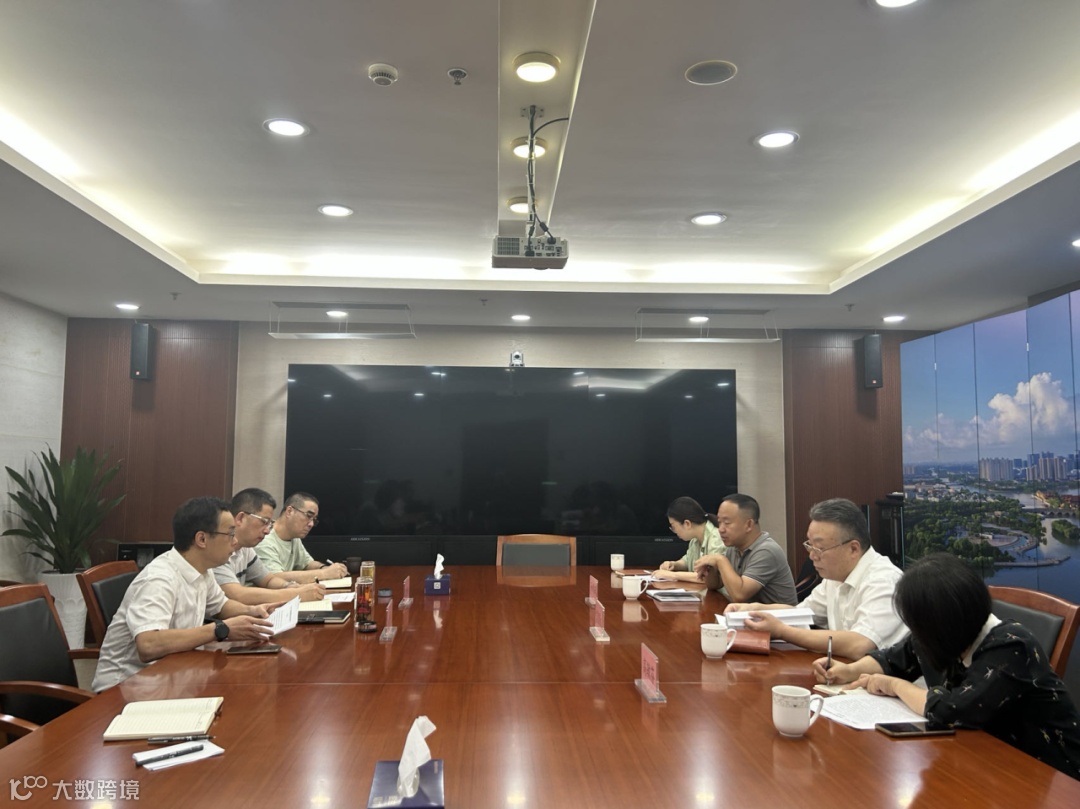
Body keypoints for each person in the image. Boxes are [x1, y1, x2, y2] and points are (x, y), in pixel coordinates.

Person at [815, 553, 1080, 780]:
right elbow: (893, 659)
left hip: (1048, 775)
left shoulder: (1011, 647)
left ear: (945, 622)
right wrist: (849, 671)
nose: (917, 634)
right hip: (978, 761)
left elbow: (952, 710)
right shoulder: (945, 635)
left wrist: (895, 686)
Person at [92, 496, 277, 691]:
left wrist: (253, 611)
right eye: (230, 534)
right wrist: (220, 629)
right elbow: (149, 644)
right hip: (126, 688)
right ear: (202, 539)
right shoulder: (160, 579)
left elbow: (222, 606)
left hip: (171, 674)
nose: (235, 541)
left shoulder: (203, 570)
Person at [725, 497, 905, 659]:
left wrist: (782, 631)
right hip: (842, 671)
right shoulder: (835, 576)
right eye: (809, 545)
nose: (812, 556)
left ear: (853, 549)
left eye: (819, 548)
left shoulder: (884, 581)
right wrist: (755, 610)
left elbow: (859, 645)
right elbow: (801, 613)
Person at [212, 488, 327, 604]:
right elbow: (238, 595)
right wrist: (297, 594)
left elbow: (268, 579)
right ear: (241, 518)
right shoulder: (217, 550)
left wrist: (289, 586)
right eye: (264, 522)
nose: (267, 531)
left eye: (269, 523)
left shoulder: (246, 548)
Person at [690, 493, 797, 604]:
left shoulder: (766, 551)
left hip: (778, 615)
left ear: (749, 525)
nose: (720, 529)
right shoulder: (734, 547)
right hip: (749, 613)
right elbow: (715, 585)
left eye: (727, 523)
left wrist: (720, 560)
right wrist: (709, 568)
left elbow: (740, 595)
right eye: (719, 522)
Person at [254, 492, 347, 583]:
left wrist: (325, 568)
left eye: (314, 520)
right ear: (289, 511)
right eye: (308, 516)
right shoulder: (263, 538)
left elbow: (307, 563)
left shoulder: (294, 536)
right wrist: (324, 573)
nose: (311, 524)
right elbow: (274, 578)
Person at [654, 496, 723, 583]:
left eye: (673, 526)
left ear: (687, 524)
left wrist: (672, 575)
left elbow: (707, 577)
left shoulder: (716, 538)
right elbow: (687, 561)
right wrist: (674, 565)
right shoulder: (695, 538)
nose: (674, 531)